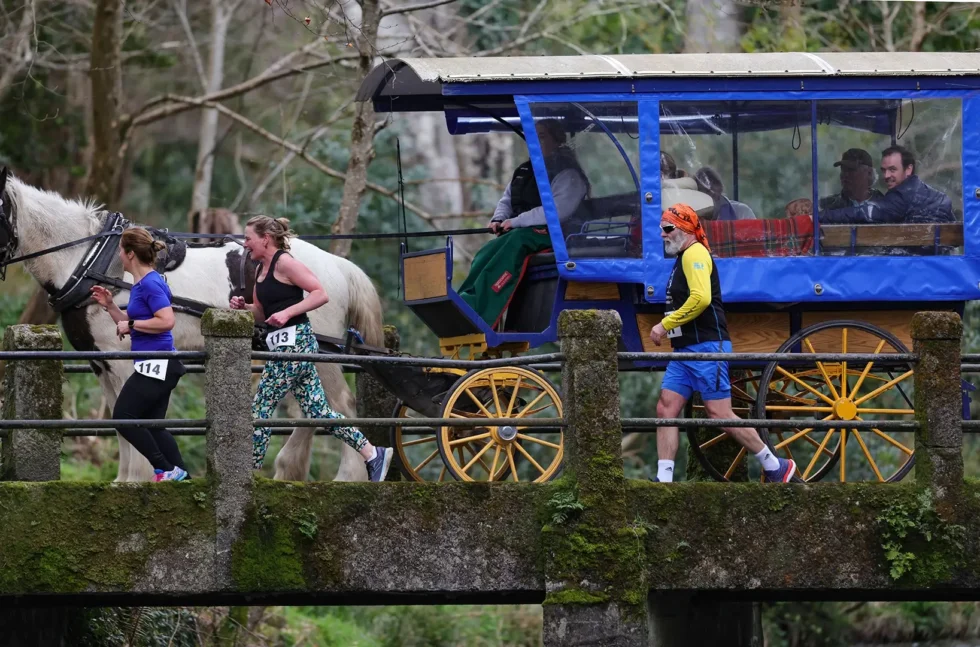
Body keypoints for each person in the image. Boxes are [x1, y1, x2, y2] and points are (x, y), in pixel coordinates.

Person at [229, 215, 393, 482]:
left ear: (265, 239)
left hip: (296, 342)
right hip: (281, 344)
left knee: (260, 407)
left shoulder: (286, 263)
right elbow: (261, 311)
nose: (245, 244)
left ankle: (246, 478)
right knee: (319, 411)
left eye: (248, 238)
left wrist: (287, 313)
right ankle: (373, 453)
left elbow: (320, 293)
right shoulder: (260, 270)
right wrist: (244, 308)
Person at [647, 204, 795, 483]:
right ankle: (663, 479)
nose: (663, 235)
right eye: (662, 229)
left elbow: (701, 298)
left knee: (719, 414)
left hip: (706, 348)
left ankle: (775, 465)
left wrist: (665, 324)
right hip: (685, 351)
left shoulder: (695, 253)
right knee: (666, 408)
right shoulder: (682, 258)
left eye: (668, 229)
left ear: (686, 229)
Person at [458, 119, 589, 328]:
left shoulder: (569, 174)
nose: (535, 142)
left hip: (556, 234)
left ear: (558, 140)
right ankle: (464, 299)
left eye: (543, 136)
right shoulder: (524, 171)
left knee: (514, 244)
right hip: (523, 231)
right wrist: (498, 219)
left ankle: (482, 312)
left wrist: (515, 222)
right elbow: (506, 200)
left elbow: (555, 212)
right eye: (532, 137)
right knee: (488, 250)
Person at [91, 227, 189, 482]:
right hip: (154, 362)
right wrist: (111, 307)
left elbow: (166, 321)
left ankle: (164, 469)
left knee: (124, 417)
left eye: (120, 251)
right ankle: (183, 479)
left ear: (131, 254)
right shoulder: (140, 285)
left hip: (160, 362)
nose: (119, 257)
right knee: (153, 426)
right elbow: (132, 324)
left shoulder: (152, 283)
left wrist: (132, 325)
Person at [821, 145, 953, 224]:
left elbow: (865, 213)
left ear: (908, 169)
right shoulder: (828, 204)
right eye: (884, 170)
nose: (886, 176)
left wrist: (815, 218)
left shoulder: (900, 197)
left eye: (892, 169)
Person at [818, 148, 884, 211]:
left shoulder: (884, 204)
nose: (845, 174)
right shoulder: (828, 205)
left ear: (869, 173)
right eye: (843, 170)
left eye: (851, 170)